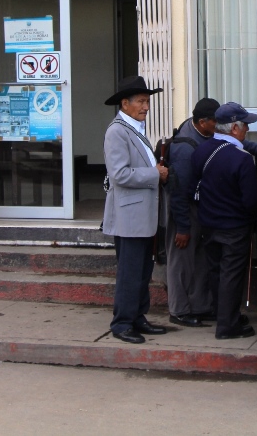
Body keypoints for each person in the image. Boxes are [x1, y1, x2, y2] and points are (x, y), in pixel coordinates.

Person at [101, 76, 170, 344]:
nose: (146, 106)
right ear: (125, 103)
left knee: (142, 271)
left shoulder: (135, 128)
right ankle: (122, 323)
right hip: (129, 215)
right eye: (141, 101)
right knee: (130, 272)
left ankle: (138, 317)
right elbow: (119, 175)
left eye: (147, 101)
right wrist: (154, 174)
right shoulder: (117, 131)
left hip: (142, 214)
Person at [193, 102, 257, 340]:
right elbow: (251, 199)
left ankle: (223, 315)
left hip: (209, 223)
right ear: (234, 128)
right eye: (244, 125)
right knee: (232, 275)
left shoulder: (202, 150)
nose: (247, 130)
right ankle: (227, 325)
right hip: (234, 227)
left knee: (216, 272)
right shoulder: (241, 159)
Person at [164, 97, 221, 328]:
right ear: (202, 121)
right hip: (184, 210)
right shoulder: (185, 149)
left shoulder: (201, 131)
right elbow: (178, 191)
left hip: (199, 207)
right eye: (216, 122)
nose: (220, 126)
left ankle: (200, 306)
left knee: (199, 260)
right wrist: (183, 228)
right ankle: (178, 310)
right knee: (181, 261)